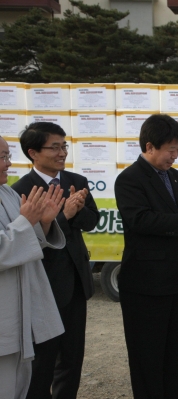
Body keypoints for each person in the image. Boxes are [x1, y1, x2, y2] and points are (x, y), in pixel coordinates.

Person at [114, 114, 178, 398]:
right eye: (170, 149)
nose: (175, 155)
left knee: (172, 350)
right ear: (149, 147)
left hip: (175, 281)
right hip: (145, 283)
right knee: (147, 354)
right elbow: (140, 220)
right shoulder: (129, 179)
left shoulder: (176, 177)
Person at [11, 122, 99, 399]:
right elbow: (25, 239)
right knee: (43, 360)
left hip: (74, 282)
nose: (62, 153)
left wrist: (79, 209)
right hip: (43, 285)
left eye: (64, 146)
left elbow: (93, 222)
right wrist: (65, 216)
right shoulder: (21, 190)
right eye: (55, 147)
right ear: (33, 152)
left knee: (73, 358)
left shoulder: (77, 181)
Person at [0, 136, 66, 399]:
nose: (8, 163)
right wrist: (26, 222)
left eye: (7, 155)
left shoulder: (7, 192)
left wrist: (44, 224)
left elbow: (26, 240)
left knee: (20, 386)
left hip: (19, 314)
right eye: (3, 157)